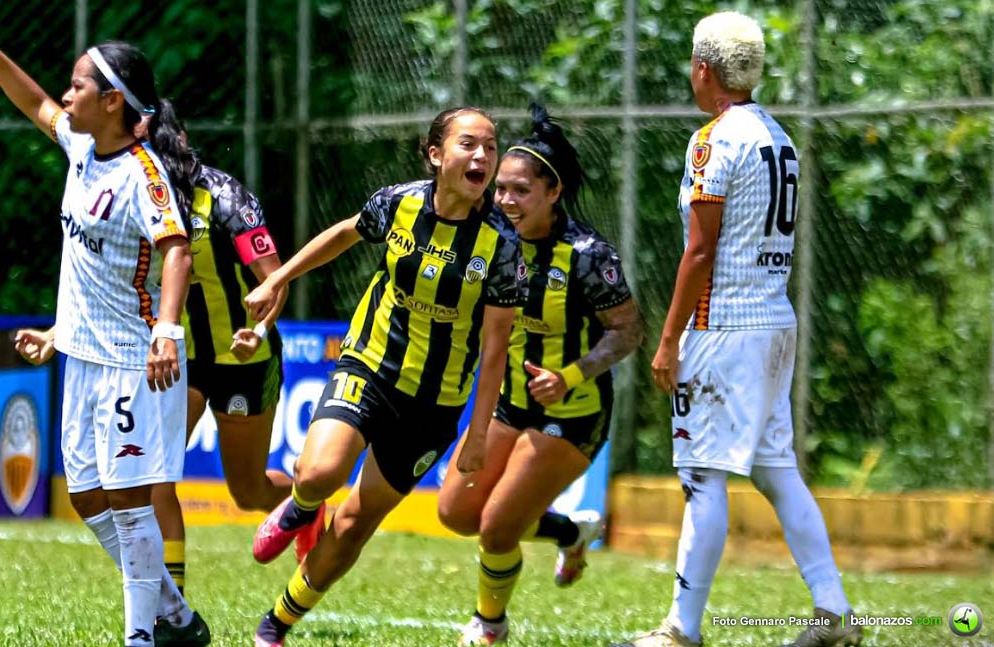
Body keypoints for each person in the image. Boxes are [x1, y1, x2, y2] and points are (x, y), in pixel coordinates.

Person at [0, 2, 208, 645]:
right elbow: (33, 102)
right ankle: (175, 615)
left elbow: (176, 249)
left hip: (131, 361)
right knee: (86, 498)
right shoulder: (82, 146)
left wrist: (167, 333)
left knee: (128, 504)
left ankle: (140, 636)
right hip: (82, 358)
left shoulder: (144, 176)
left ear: (113, 102)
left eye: (79, 85)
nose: (68, 95)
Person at [609, 12, 861, 647]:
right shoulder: (780, 136)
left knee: (701, 473)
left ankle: (679, 631)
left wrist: (668, 341)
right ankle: (833, 612)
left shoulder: (714, 139)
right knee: (776, 470)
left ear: (704, 69)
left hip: (723, 327)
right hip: (775, 320)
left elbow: (700, 250)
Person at [235, 107, 525, 647]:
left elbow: (495, 346)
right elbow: (346, 233)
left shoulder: (503, 246)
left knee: (353, 526)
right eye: (469, 144)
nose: (483, 156)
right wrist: (278, 278)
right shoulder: (399, 203)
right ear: (436, 155)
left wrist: (479, 432)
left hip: (434, 406)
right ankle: (301, 506)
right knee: (319, 473)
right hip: (370, 365)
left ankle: (275, 624)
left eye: (491, 146)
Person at [14, 104, 300, 604]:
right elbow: (112, 288)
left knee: (248, 491)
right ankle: (172, 609)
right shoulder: (131, 194)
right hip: (173, 358)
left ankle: (308, 506)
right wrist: (56, 333)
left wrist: (259, 328)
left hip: (243, 360)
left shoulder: (226, 196)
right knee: (153, 479)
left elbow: (273, 279)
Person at [435, 103, 643, 646]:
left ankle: (490, 624)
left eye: (519, 190)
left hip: (571, 412)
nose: (504, 200)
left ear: (552, 193)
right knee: (456, 513)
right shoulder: (489, 238)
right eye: (500, 188)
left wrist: (572, 374)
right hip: (511, 403)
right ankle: (571, 533)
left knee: (497, 527)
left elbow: (628, 332)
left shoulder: (587, 256)